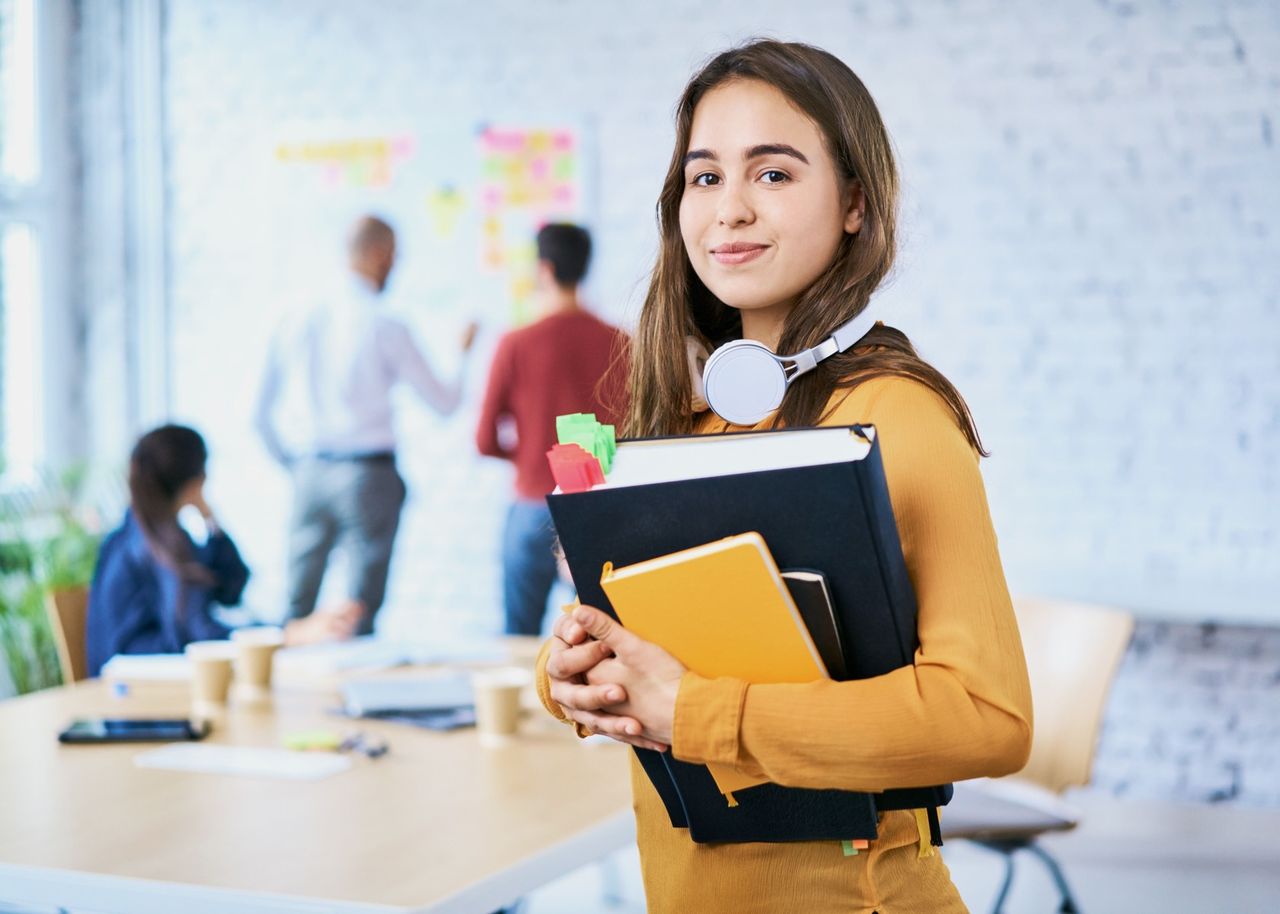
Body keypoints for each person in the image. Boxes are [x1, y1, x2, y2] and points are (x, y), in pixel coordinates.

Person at [536, 40, 1033, 913]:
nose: (729, 210)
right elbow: (653, 669)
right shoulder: (675, 423)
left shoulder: (899, 416)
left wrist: (692, 713)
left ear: (853, 204)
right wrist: (574, 677)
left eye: (772, 174)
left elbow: (988, 718)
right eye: (704, 177)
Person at [254, 215, 477, 636]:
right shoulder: (385, 323)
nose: (396, 265)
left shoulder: (296, 315)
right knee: (359, 613)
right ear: (378, 253)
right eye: (395, 255)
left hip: (309, 470)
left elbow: (258, 415)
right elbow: (445, 403)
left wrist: (297, 466)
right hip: (369, 477)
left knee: (295, 613)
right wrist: (462, 353)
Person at [86, 425, 359, 677]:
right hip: (137, 693)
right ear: (196, 481)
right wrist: (286, 635)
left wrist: (209, 518)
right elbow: (199, 635)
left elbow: (231, 587)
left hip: (145, 687)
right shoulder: (147, 547)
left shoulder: (153, 536)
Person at [475, 223, 629, 636]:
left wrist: (530, 456)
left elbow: (484, 440)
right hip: (595, 511)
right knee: (597, 637)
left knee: (518, 637)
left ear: (543, 269)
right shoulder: (621, 344)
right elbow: (635, 434)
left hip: (532, 505)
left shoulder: (516, 343)